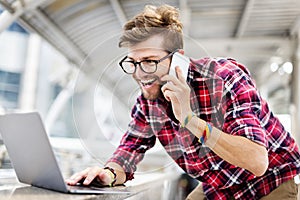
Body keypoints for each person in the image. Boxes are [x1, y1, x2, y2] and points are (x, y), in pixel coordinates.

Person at [66, 4, 300, 199]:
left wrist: (189, 118)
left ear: (178, 57)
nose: (140, 73)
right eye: (133, 63)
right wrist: (109, 173)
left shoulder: (224, 77)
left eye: (149, 61)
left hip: (271, 183)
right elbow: (128, 151)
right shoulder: (149, 101)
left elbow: (257, 161)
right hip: (219, 187)